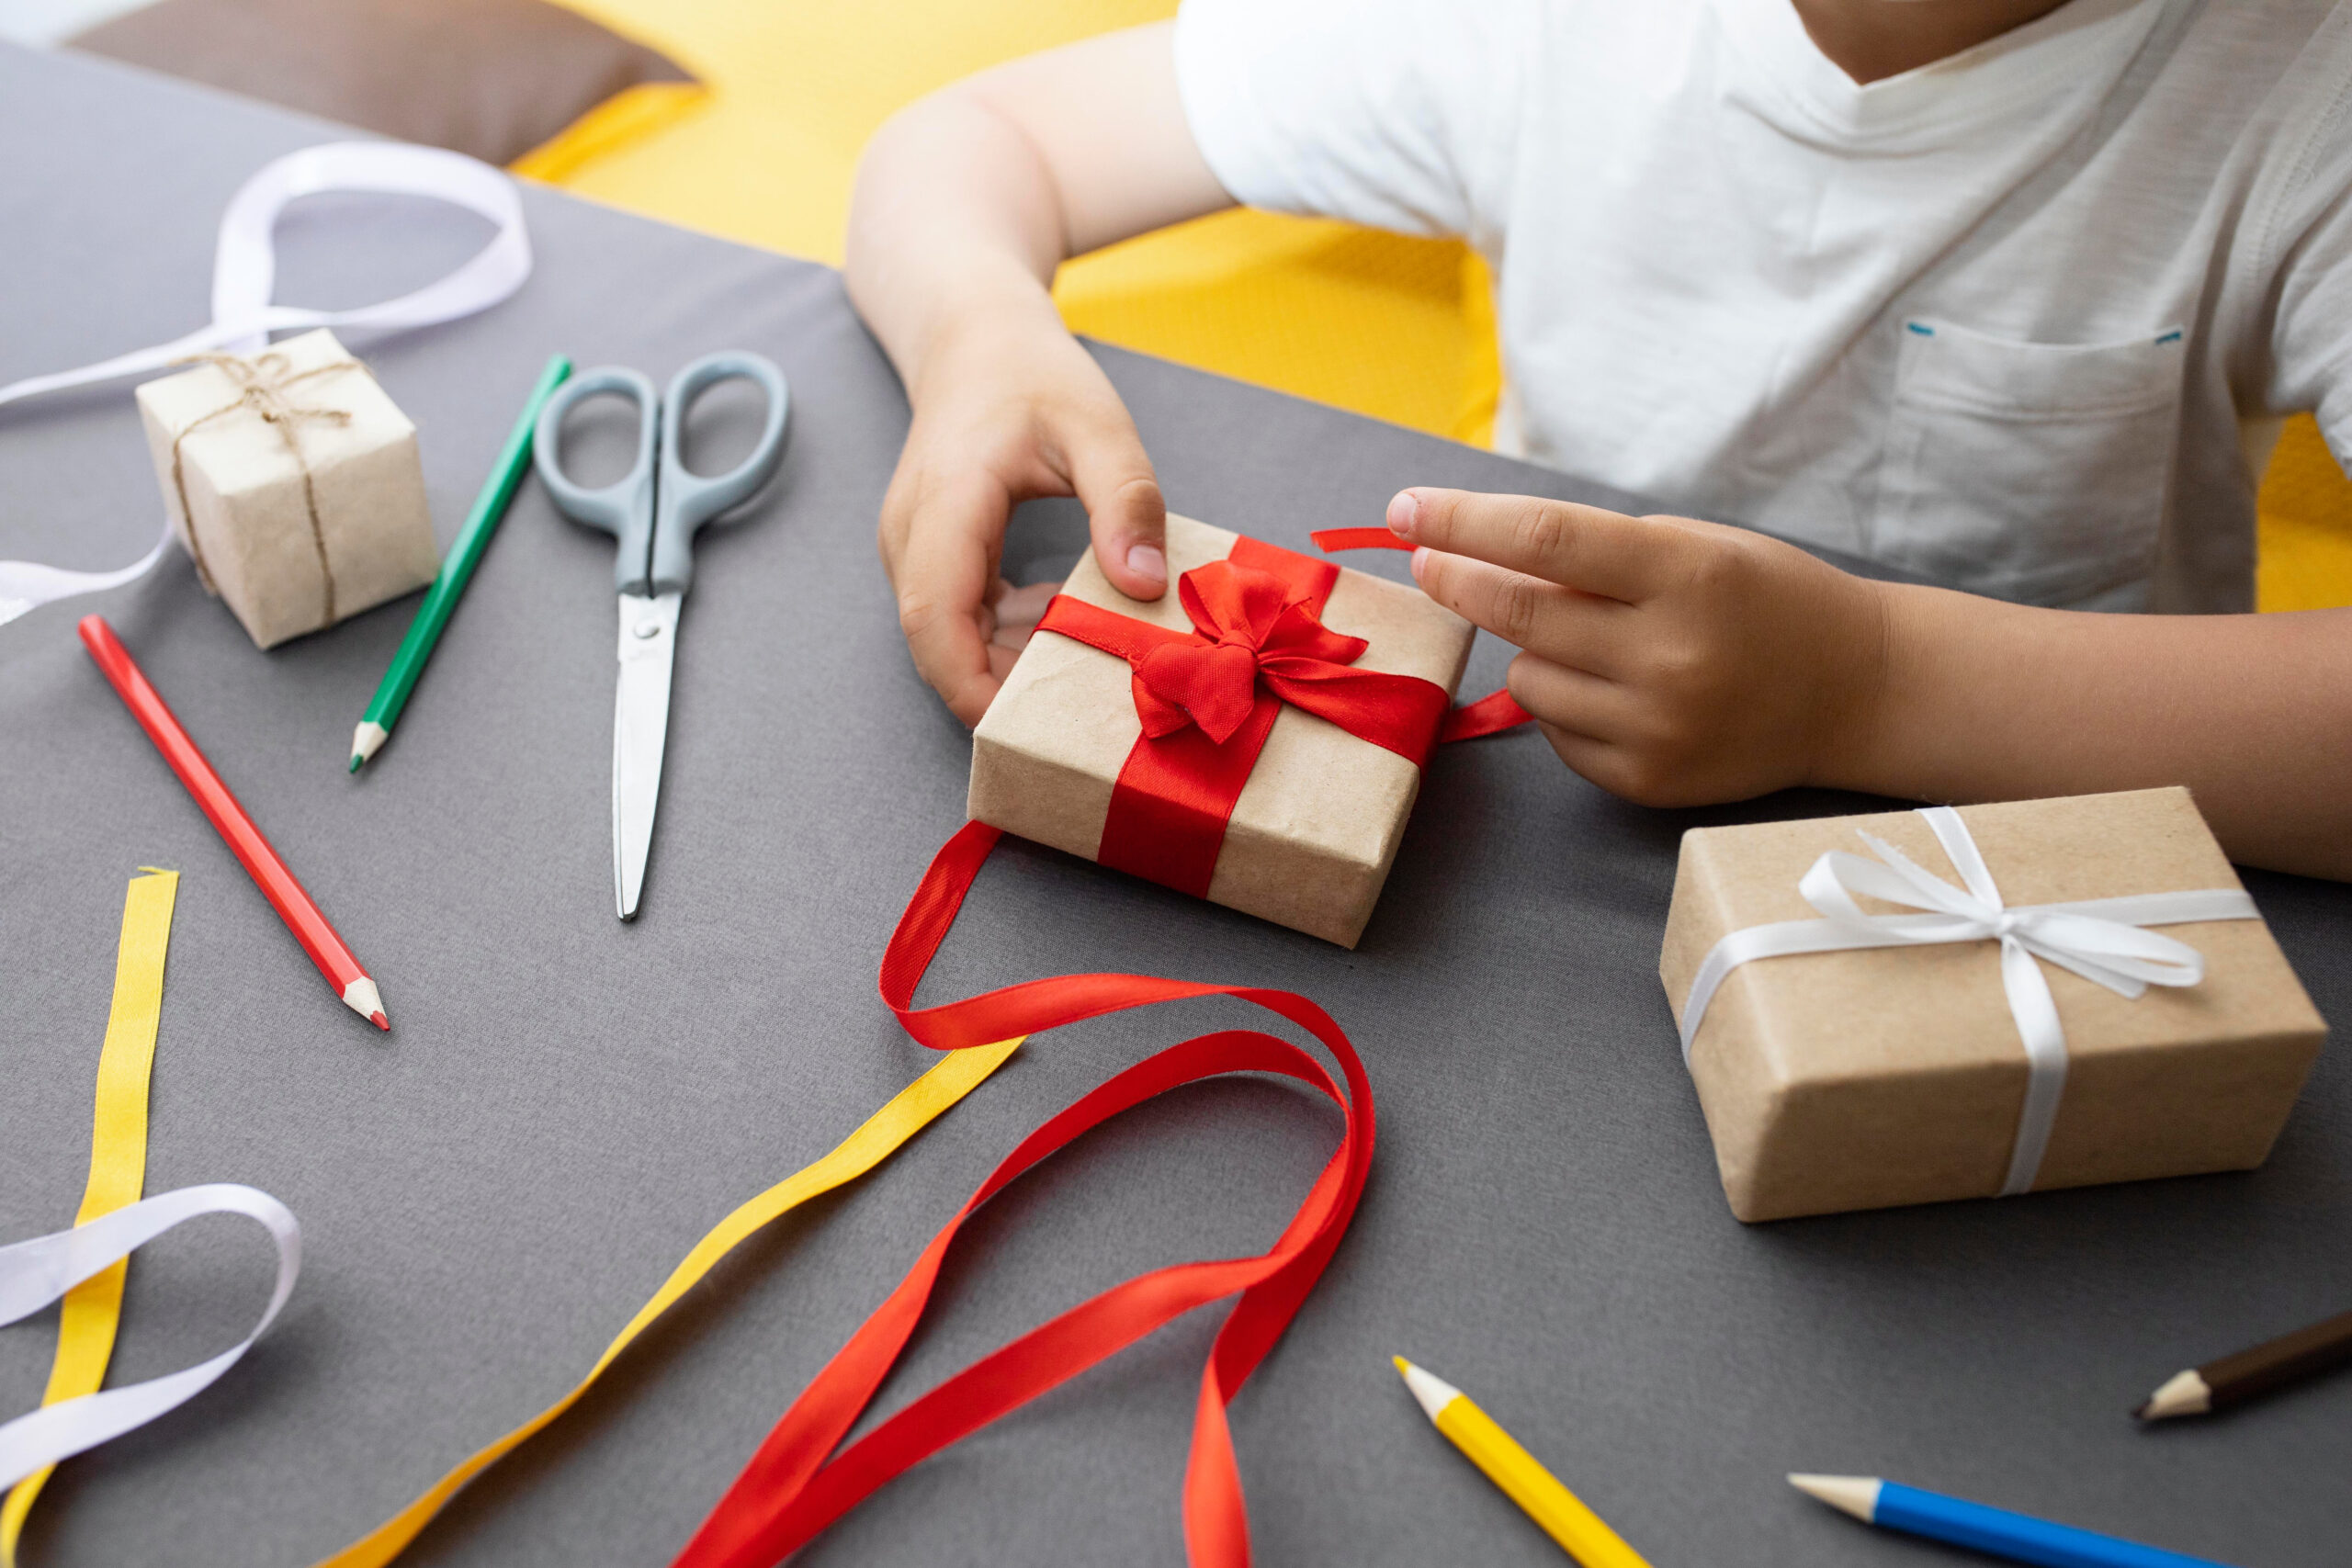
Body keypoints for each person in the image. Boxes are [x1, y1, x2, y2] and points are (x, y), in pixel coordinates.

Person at [843, 0, 2352, 878]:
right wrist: (980, 335)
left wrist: (1862, 684)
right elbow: (970, 142)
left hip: (2054, 876)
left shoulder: (2301, 83)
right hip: (1535, 842)